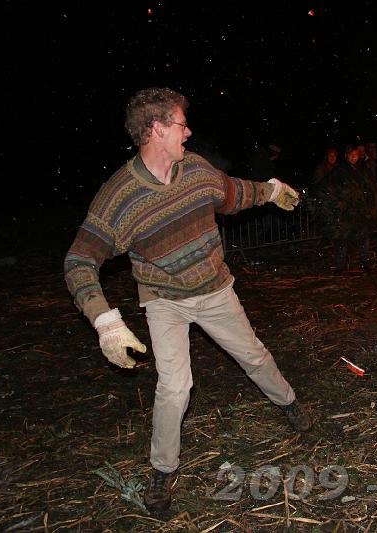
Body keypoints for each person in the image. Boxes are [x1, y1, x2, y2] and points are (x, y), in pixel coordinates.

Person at [63, 87, 311, 514]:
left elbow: (232, 193)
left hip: (215, 289)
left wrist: (270, 191)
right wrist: (104, 320)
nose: (188, 131)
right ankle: (162, 471)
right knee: (174, 387)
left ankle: (289, 403)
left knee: (254, 357)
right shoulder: (120, 197)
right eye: (181, 123)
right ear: (156, 130)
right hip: (164, 301)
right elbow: (79, 259)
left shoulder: (195, 169)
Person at [320, 145, 377, 272]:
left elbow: (370, 184)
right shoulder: (340, 170)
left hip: (361, 209)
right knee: (342, 237)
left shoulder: (363, 169)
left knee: (363, 235)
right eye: (351, 155)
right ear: (347, 156)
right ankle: (340, 264)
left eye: (356, 155)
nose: (354, 157)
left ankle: (365, 262)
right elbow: (330, 184)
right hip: (346, 210)